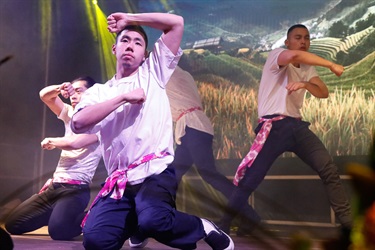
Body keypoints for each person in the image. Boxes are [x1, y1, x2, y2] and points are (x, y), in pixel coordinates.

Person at [71, 12, 234, 250]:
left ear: (145, 55)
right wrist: (123, 97)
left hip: (154, 174)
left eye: (138, 43)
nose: (131, 46)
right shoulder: (98, 92)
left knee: (155, 220)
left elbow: (176, 22)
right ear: (114, 49)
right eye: (125, 40)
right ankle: (136, 225)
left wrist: (128, 19)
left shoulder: (153, 73)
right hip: (120, 182)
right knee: (95, 241)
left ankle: (202, 226)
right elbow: (78, 123)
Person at [219, 24, 353, 237]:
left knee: (328, 168)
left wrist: (305, 85)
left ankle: (347, 224)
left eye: (307, 38)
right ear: (287, 42)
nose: (303, 41)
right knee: (251, 179)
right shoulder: (277, 55)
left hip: (297, 127)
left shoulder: (308, 69)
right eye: (298, 37)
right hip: (274, 126)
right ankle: (223, 224)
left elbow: (323, 92)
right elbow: (293, 57)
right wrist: (331, 64)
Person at [4, 76, 101, 240]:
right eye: (72, 92)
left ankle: (96, 215)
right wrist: (60, 88)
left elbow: (75, 143)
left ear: (92, 94)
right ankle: (60, 215)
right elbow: (44, 95)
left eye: (79, 91)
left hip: (75, 191)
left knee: (58, 232)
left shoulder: (101, 121)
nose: (73, 96)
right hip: (54, 188)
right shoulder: (70, 113)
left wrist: (53, 141)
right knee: (14, 224)